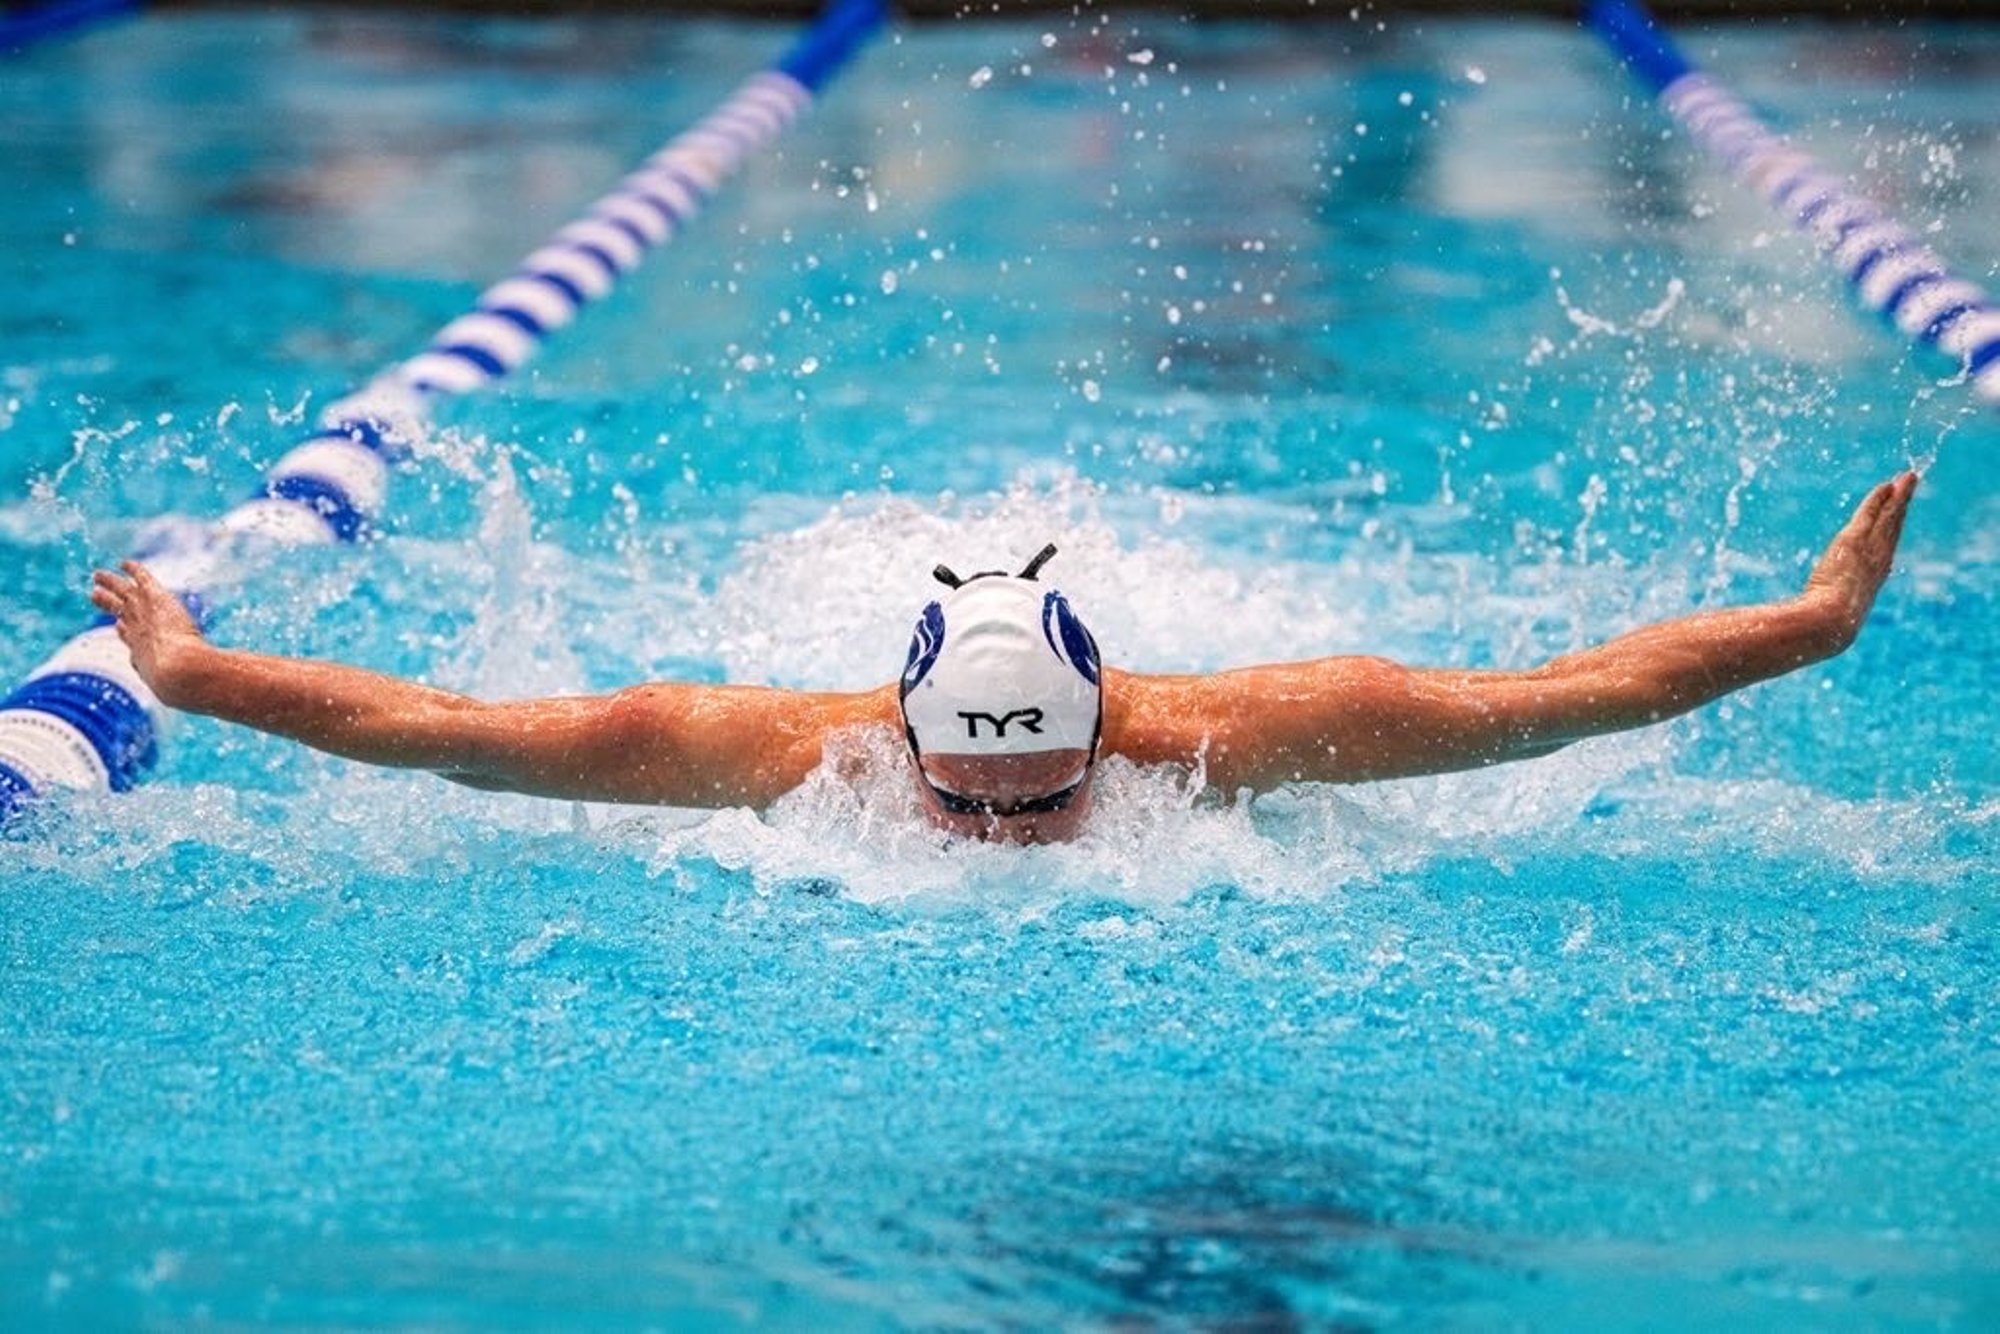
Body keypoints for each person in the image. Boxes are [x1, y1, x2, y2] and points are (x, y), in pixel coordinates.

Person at [89, 472, 1919, 844]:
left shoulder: (1246, 732)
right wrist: (194, 675)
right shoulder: (761, 748)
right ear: (898, 734)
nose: (1005, 839)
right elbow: (460, 732)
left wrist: (1814, 622)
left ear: (1111, 725)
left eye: (1038, 802)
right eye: (976, 805)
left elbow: (1568, 698)